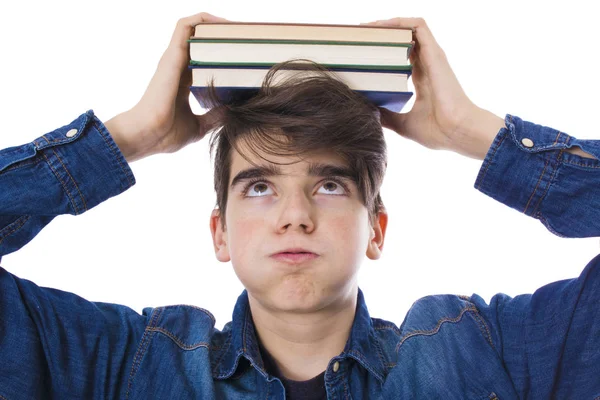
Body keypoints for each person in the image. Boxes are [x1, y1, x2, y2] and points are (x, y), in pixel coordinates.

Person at [1, 11, 599, 399]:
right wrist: (131, 138)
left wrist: (474, 133)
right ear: (220, 232)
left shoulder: (476, 351)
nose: (295, 215)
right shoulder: (131, 365)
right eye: (259, 186)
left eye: (330, 185)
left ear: (376, 229)